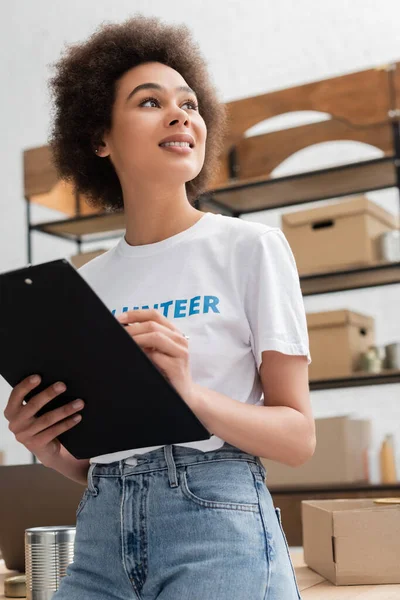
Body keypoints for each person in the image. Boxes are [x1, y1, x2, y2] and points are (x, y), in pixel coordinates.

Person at [4, 14, 315, 600]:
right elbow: (107, 458)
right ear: (99, 138)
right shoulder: (85, 284)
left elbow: (298, 437)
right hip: (99, 531)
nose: (181, 115)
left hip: (217, 527)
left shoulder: (250, 248)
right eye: (150, 102)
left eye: (190, 103)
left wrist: (190, 394)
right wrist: (48, 448)